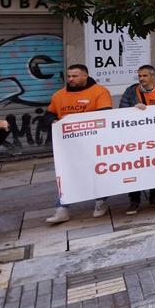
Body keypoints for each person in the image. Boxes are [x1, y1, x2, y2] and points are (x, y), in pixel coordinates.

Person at [44, 64, 113, 225]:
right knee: (65, 174)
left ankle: (100, 201)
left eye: (74, 76)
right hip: (67, 144)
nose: (70, 79)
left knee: (97, 172)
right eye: (68, 76)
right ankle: (62, 208)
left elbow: (105, 114)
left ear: (85, 76)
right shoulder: (58, 95)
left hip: (92, 142)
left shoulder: (99, 91)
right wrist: (52, 121)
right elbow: (48, 115)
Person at [120, 65, 155, 215]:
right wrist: (134, 109)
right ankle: (134, 200)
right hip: (136, 138)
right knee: (135, 166)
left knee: (154, 165)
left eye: (144, 76)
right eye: (139, 76)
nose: (141, 79)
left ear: (153, 76)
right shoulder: (130, 92)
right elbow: (121, 111)